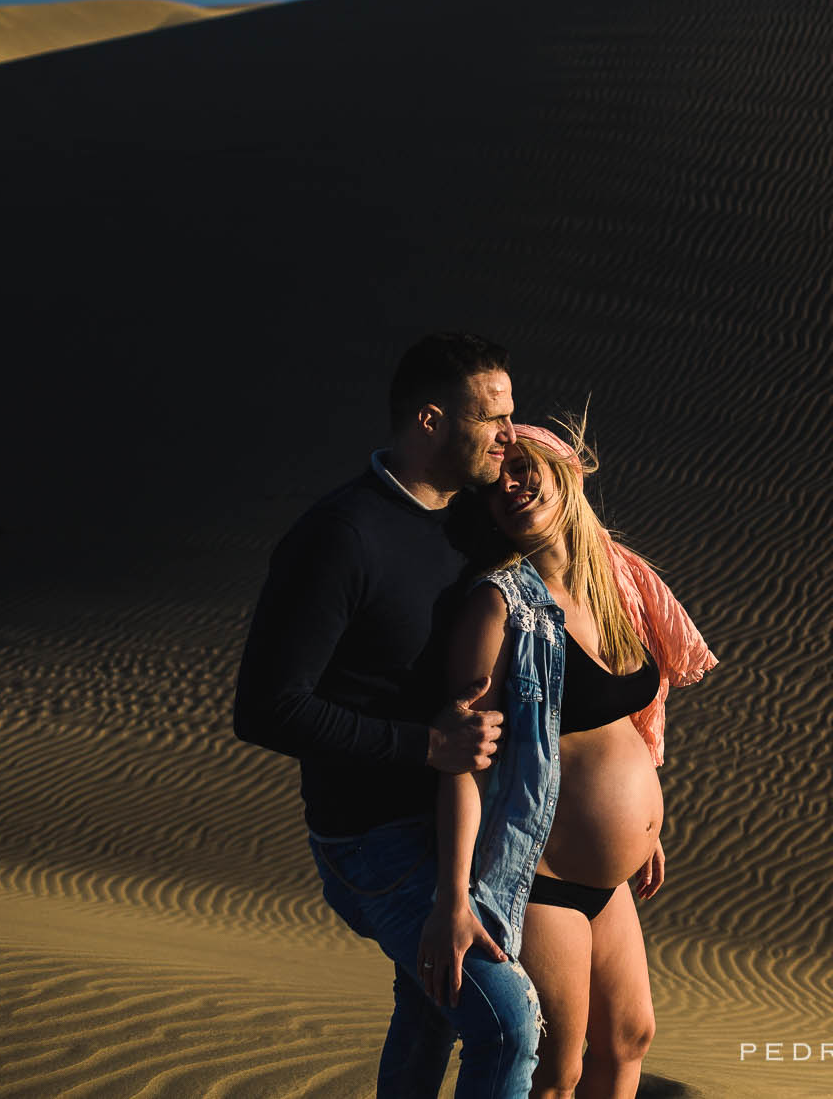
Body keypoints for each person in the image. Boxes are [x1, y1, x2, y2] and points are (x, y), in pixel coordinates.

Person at [234, 331, 538, 1098]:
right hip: (375, 843)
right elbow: (267, 708)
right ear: (430, 420)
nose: (511, 435)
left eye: (514, 414)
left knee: (431, 1008)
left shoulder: (474, 520)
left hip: (462, 827)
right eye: (491, 418)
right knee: (505, 1024)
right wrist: (424, 744)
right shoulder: (341, 537)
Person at [418, 422, 718, 1099]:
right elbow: (463, 759)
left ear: (569, 471)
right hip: (540, 874)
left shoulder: (618, 581)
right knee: (558, 1071)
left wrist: (644, 826)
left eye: (528, 467)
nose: (513, 485)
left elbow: (637, 713)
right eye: (500, 482)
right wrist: (454, 897)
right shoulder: (499, 606)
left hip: (611, 879)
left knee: (628, 1038)